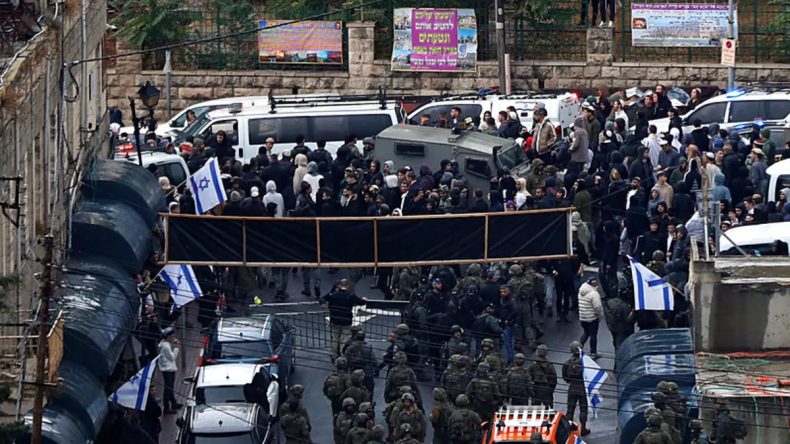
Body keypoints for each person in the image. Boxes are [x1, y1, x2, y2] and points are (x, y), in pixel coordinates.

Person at [321, 279, 367, 362]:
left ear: (339, 286)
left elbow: (322, 298)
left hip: (335, 319)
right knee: (344, 338)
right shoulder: (350, 295)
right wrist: (364, 299)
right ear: (348, 286)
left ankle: (334, 354)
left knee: (335, 338)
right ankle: (343, 355)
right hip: (346, 320)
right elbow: (361, 302)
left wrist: (323, 304)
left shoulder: (333, 295)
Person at [562, 341, 591, 436]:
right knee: (583, 409)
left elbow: (564, 376)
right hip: (583, 388)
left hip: (572, 387)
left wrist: (570, 381)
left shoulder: (567, 363)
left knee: (570, 409)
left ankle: (569, 429)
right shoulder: (585, 362)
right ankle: (583, 428)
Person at [578, 278, 603, 359]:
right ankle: (593, 353)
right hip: (592, 318)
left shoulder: (581, 291)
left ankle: (578, 348)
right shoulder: (594, 294)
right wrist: (600, 316)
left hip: (583, 318)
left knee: (586, 333)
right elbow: (597, 307)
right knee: (593, 335)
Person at [158, 327, 182, 413]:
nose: (173, 338)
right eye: (172, 337)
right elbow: (172, 358)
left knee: (170, 388)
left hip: (168, 368)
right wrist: (176, 348)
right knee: (168, 388)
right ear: (167, 337)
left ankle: (174, 403)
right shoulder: (166, 347)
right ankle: (166, 407)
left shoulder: (164, 344)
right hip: (168, 369)